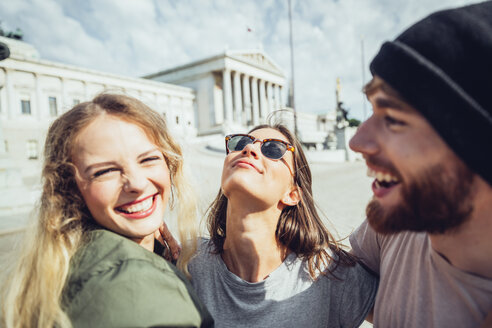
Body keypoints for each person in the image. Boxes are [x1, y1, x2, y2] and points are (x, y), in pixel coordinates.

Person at [1, 94, 213, 327]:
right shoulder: (132, 284)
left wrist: (162, 269)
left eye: (148, 159)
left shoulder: (66, 262)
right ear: (70, 190)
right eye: (104, 171)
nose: (137, 183)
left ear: (169, 163)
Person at [348, 2, 492, 327]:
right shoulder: (401, 221)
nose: (357, 142)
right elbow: (348, 282)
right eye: (371, 110)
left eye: (393, 119)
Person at [188, 123, 378, 328]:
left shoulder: (325, 270)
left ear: (292, 194)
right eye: (240, 142)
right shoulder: (186, 260)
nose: (249, 149)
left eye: (273, 150)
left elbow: (406, 311)